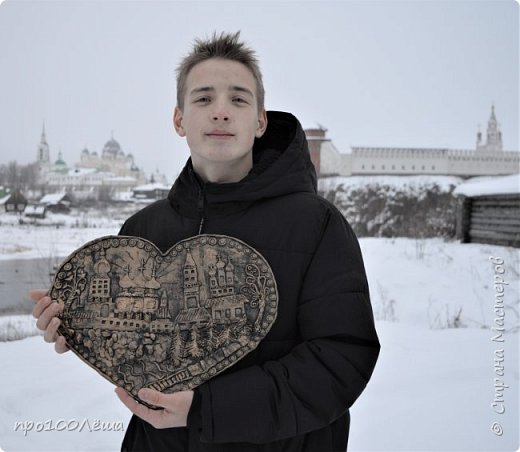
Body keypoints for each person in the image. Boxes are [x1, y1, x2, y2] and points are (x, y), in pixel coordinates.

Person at [30, 31, 380, 452]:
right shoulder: (142, 231)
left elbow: (339, 361)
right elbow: (137, 345)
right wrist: (79, 327)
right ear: (179, 120)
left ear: (260, 120)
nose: (220, 112)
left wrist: (206, 410)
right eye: (202, 99)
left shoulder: (317, 226)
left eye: (238, 99)